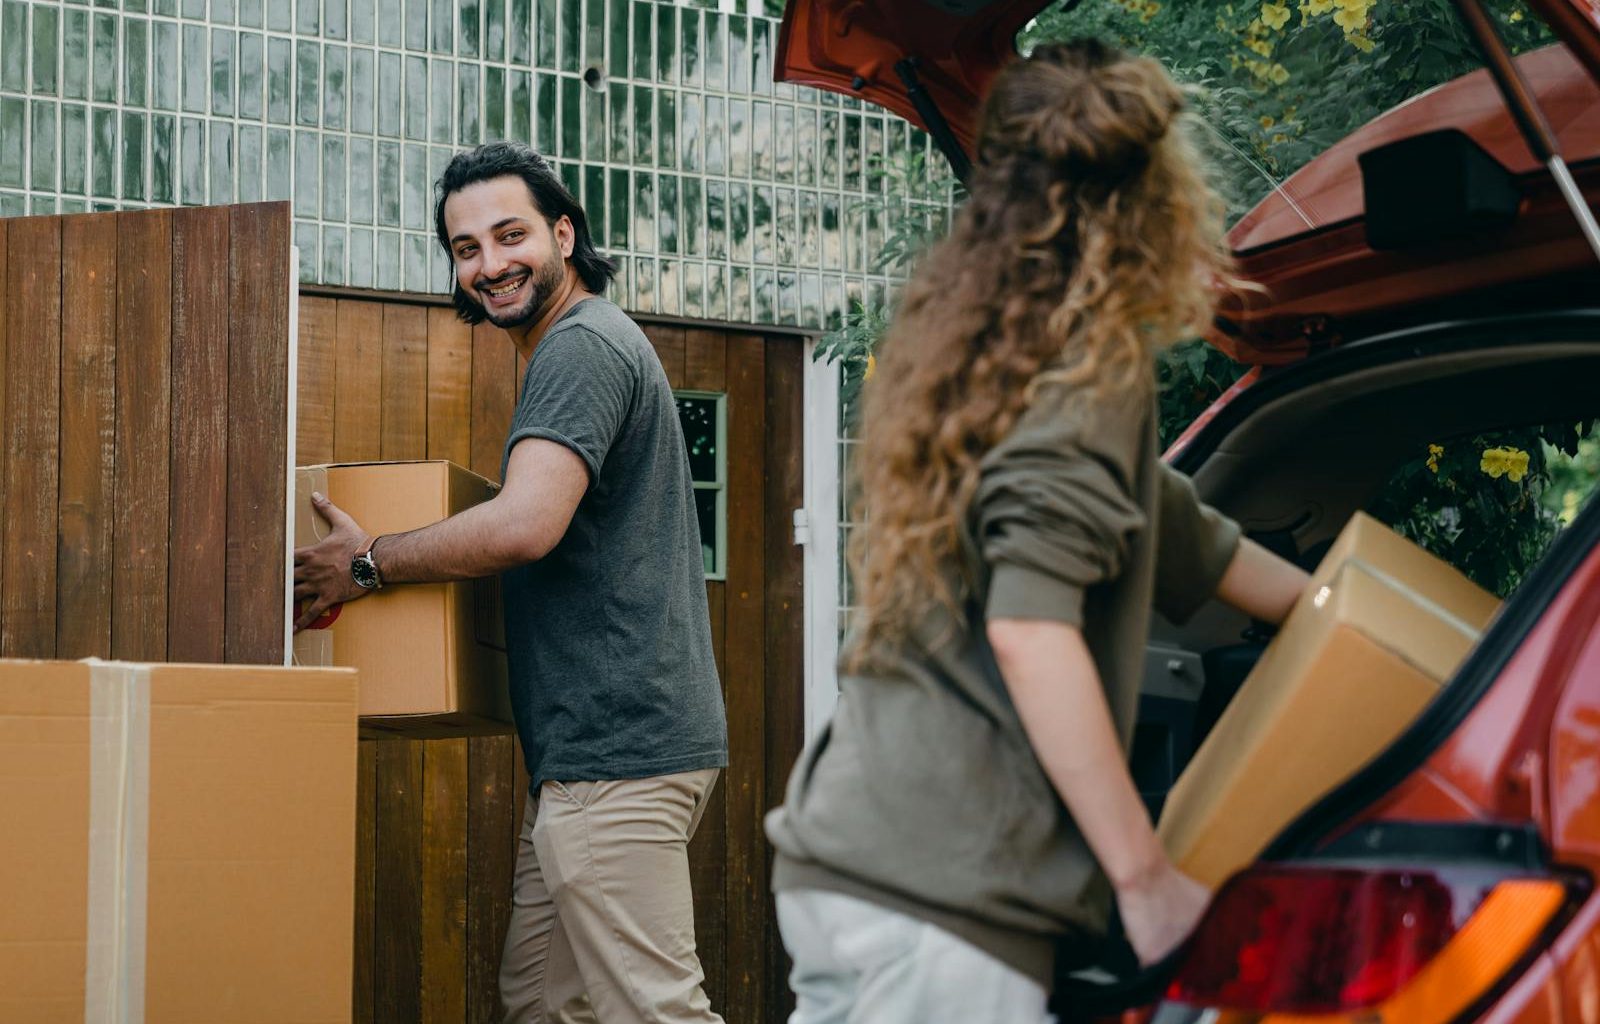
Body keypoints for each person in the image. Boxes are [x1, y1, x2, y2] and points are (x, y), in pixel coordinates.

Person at [764, 39, 1311, 1022]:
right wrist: (1143, 880)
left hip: (843, 862)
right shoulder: (1091, 373)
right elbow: (1029, 629)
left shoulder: (988, 359)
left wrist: (1343, 614)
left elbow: (1177, 527)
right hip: (948, 903)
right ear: (1150, 201)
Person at [293, 141, 728, 1024]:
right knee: (539, 1000)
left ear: (563, 234)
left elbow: (527, 524)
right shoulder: (577, 347)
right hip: (585, 757)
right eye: (466, 248)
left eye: (509, 235)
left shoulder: (581, 348)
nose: (490, 265)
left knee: (656, 1012)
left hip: (618, 753)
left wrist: (370, 563)